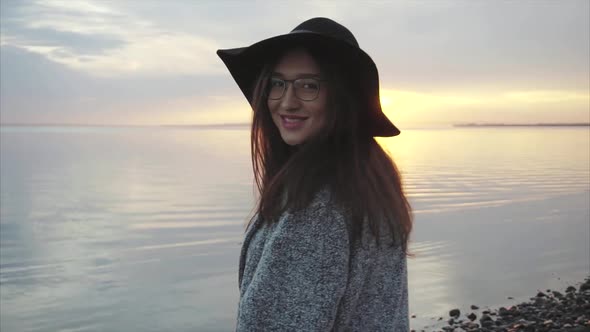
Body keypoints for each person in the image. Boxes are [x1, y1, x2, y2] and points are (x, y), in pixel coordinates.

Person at [217, 17, 413, 332]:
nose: (286, 101)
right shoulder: (370, 181)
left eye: (309, 85)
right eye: (277, 83)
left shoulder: (315, 208)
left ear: (342, 97)